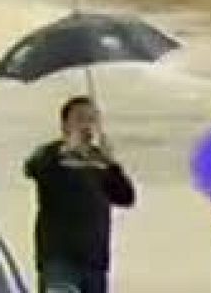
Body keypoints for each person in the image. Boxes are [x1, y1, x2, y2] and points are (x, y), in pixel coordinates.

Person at [24, 95, 137, 293]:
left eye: (92, 119)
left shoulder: (99, 160)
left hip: (95, 261)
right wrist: (67, 149)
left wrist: (113, 166)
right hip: (59, 260)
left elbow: (126, 197)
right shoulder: (51, 154)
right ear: (65, 125)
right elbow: (32, 169)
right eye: (80, 118)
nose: (87, 125)